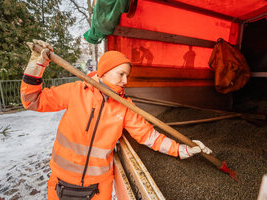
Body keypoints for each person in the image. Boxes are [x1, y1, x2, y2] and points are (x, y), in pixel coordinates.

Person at [21, 40, 212, 200]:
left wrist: (179, 149)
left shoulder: (125, 106)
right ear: (103, 72)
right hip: (61, 182)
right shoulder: (77, 91)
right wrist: (36, 67)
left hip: (99, 188)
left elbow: (148, 136)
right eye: (121, 74)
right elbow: (32, 101)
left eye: (127, 75)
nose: (125, 81)